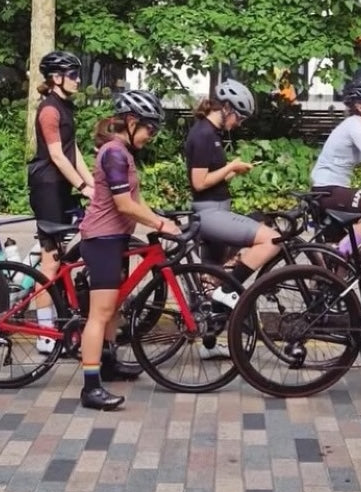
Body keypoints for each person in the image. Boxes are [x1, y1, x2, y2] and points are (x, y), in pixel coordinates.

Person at [76, 90, 179, 410]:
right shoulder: (114, 154)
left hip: (115, 237)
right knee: (100, 313)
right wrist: (159, 225)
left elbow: (136, 201)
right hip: (102, 240)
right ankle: (90, 388)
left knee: (114, 308)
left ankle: (108, 363)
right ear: (132, 122)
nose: (152, 135)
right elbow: (123, 204)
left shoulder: (123, 152)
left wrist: (159, 218)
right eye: (150, 128)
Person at [183, 79, 280, 309]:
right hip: (210, 214)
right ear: (226, 108)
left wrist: (234, 171)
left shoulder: (211, 132)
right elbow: (199, 183)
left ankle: (217, 304)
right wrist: (230, 167)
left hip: (216, 209)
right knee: (272, 240)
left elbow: (211, 179)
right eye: (239, 117)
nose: (239, 123)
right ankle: (227, 293)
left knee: (260, 220)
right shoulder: (204, 135)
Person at [27, 50, 95, 354]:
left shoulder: (65, 106)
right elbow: (56, 155)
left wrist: (92, 185)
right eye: (73, 75)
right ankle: (44, 333)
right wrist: (81, 185)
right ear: (56, 78)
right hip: (47, 186)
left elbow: (72, 150)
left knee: (57, 256)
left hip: (61, 185)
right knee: (51, 260)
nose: (78, 80)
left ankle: (55, 316)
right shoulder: (49, 110)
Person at [310, 77, 361, 252]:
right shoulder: (354, 126)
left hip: (336, 190)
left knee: (342, 263)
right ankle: (345, 250)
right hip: (327, 191)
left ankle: (345, 256)